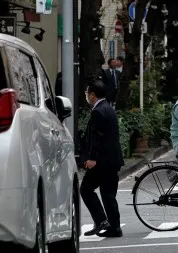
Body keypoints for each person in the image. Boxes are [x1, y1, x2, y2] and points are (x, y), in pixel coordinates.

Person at [80, 80, 124, 238]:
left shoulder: (98, 111)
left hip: (101, 161)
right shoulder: (108, 108)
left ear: (92, 94)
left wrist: (91, 158)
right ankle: (115, 227)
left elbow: (96, 138)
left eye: (87, 93)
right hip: (113, 160)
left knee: (85, 189)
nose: (86, 96)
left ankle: (101, 221)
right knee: (108, 195)